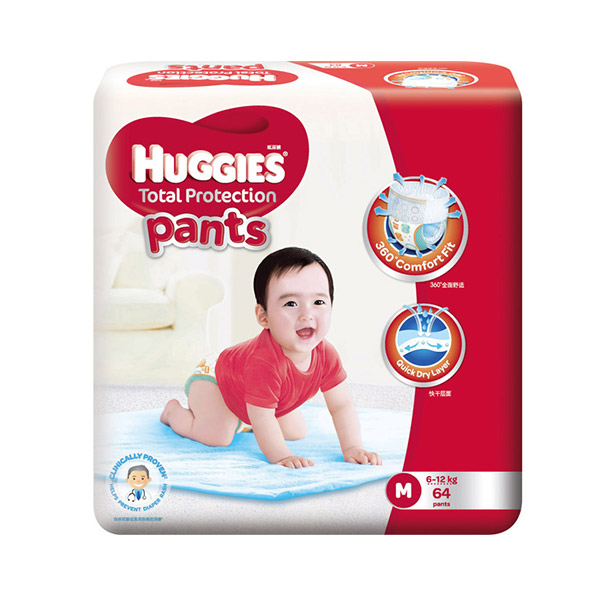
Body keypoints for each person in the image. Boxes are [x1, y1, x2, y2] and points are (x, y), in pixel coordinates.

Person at [161, 247, 381, 469]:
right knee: (218, 435)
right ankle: (173, 412)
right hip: (216, 380)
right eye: (291, 304)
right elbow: (263, 418)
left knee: (295, 432)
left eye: (318, 302)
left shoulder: (326, 354)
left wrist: (353, 447)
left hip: (252, 390)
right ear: (263, 316)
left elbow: (341, 405)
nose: (307, 314)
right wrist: (282, 456)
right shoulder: (264, 362)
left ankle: (245, 418)